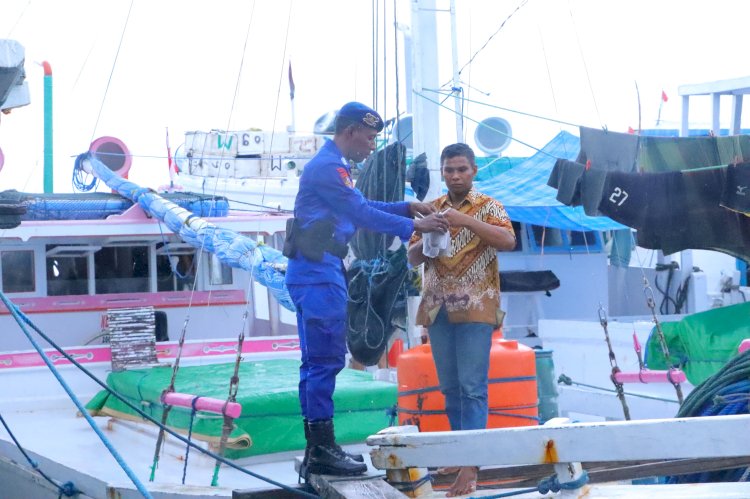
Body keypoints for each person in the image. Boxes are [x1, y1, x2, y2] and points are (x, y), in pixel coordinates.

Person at [284, 101, 449, 478]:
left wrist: (407, 208)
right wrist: (416, 228)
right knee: (324, 363)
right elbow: (361, 215)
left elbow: (361, 204)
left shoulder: (332, 166)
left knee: (316, 364)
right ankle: (322, 448)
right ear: (350, 131)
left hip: (314, 270)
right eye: (370, 136)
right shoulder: (330, 168)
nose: (373, 145)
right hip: (318, 273)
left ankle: (318, 448)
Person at [407, 142, 516, 497]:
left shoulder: (489, 207)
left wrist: (464, 221)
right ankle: (460, 452)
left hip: (476, 307)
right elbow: (411, 258)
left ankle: (470, 466)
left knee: (472, 388)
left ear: (474, 171)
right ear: (441, 172)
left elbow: (508, 241)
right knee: (450, 388)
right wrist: (428, 234)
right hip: (437, 307)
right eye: (449, 170)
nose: (455, 176)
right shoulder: (431, 209)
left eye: (461, 170)